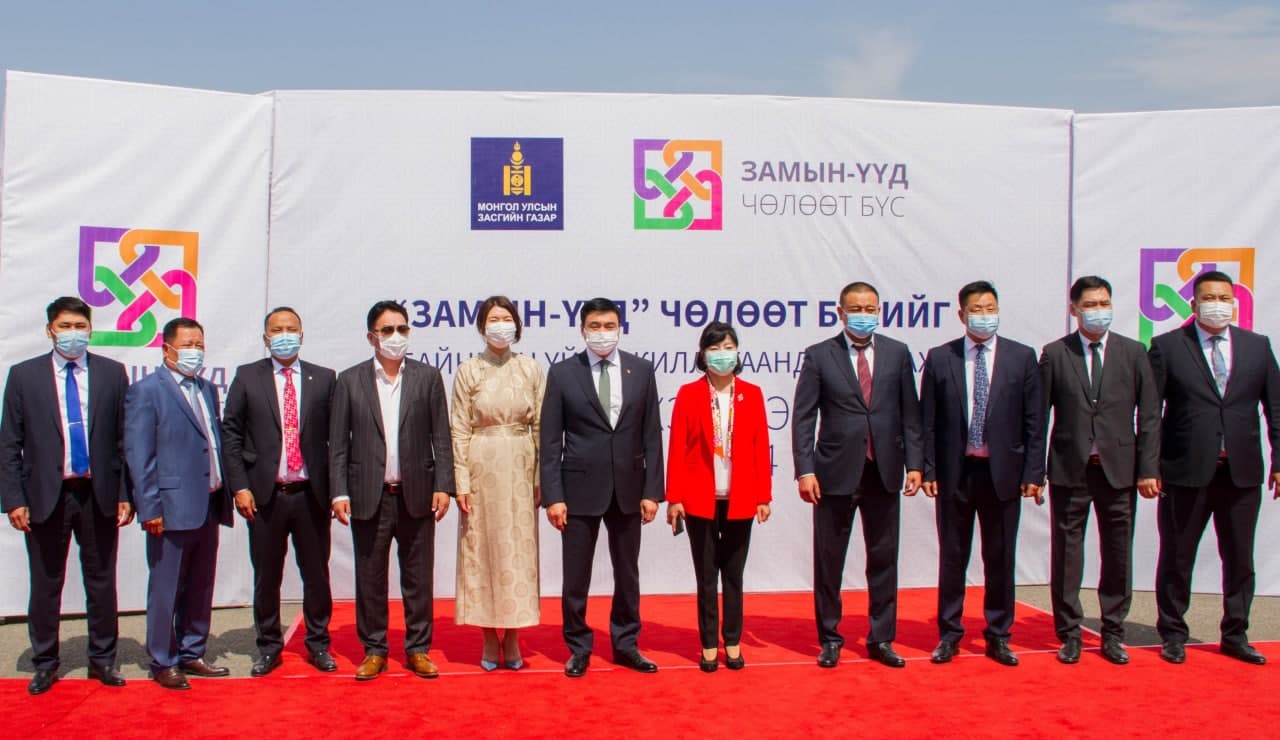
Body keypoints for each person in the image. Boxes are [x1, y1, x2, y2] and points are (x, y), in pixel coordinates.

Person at [0, 297, 133, 695]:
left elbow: (123, 440)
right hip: (46, 495)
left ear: (90, 330)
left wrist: (125, 493)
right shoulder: (23, 376)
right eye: (65, 326)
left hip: (97, 493)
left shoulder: (112, 373)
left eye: (80, 326)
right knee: (46, 583)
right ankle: (45, 662)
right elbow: (9, 444)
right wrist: (13, 499)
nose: (73, 333)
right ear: (50, 331)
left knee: (101, 580)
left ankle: (102, 659)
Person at [1148, 270, 1280, 666]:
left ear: (1234, 303)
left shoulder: (1257, 347)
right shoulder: (1168, 347)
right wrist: (1149, 466)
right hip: (1184, 471)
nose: (1217, 305)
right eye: (1209, 298)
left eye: (1224, 298)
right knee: (1177, 557)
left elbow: (1275, 409)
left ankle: (1235, 634)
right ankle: (1173, 634)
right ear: (1193, 304)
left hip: (1241, 472)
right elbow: (1150, 413)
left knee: (1240, 558)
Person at [791, 282, 922, 669]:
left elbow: (910, 414)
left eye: (870, 308)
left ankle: (881, 638)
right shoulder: (820, 355)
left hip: (884, 470)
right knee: (829, 560)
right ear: (841, 312)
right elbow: (803, 418)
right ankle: (830, 637)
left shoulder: (897, 353)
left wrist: (915, 464)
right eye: (856, 308)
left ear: (879, 310)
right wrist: (805, 470)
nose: (864, 314)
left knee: (884, 558)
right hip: (834, 473)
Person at [330, 300, 456, 680]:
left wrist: (444, 485)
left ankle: (418, 649)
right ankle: (374, 649)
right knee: (370, 577)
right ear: (372, 337)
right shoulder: (349, 380)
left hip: (417, 493)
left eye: (402, 329)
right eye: (387, 330)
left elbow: (441, 436)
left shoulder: (427, 377)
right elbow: (338, 444)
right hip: (369, 494)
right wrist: (339, 492)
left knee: (418, 577)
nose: (396, 336)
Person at [921, 280, 1044, 667]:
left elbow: (1035, 422)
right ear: (962, 315)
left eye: (991, 309)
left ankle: (999, 634)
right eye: (977, 310)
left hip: (1003, 474)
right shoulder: (940, 358)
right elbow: (928, 422)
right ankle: (949, 634)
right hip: (956, 474)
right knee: (952, 557)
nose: (985, 316)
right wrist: (928, 468)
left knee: (1000, 557)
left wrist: (1034, 472)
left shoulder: (1021, 357)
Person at [1039, 276, 1160, 665]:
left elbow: (1150, 415)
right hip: (1069, 469)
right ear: (1074, 309)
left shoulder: (1133, 352)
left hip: (1120, 470)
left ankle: (1112, 632)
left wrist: (1148, 468)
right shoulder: (1055, 354)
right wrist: (1033, 473)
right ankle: (1069, 633)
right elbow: (1037, 418)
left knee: (1118, 552)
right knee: (1067, 554)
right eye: (1090, 304)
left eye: (1104, 303)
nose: (1098, 311)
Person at [541, 297, 664, 678]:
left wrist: (652, 491)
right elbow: (550, 441)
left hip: (629, 488)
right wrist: (553, 496)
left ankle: (626, 643)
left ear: (620, 328)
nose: (602, 333)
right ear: (582, 330)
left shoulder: (641, 370)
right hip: (578, 490)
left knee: (628, 573)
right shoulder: (563, 373)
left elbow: (652, 434)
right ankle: (578, 647)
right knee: (576, 576)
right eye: (595, 326)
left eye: (609, 325)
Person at [222, 307, 337, 676]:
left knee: (316, 576)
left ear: (301, 335)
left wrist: (337, 491)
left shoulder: (324, 378)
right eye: (277, 330)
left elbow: (337, 440)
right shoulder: (247, 377)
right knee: (267, 577)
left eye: (291, 329)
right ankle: (269, 646)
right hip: (265, 497)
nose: (284, 335)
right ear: (265, 337)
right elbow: (231, 434)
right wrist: (240, 486)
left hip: (311, 495)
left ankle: (318, 644)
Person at [124, 317, 234, 690]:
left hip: (208, 502)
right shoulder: (146, 391)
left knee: (200, 585)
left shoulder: (207, 388)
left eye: (199, 344)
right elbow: (140, 455)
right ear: (167, 348)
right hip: (170, 508)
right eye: (188, 344)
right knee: (166, 587)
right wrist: (150, 507)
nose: (195, 351)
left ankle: (192, 651)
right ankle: (163, 659)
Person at [666, 322, 771, 672]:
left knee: (734, 576)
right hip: (700, 500)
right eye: (714, 348)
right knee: (707, 576)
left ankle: (733, 641)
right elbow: (678, 447)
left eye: (728, 347)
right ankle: (709, 643)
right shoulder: (689, 394)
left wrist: (763, 496)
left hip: (741, 498)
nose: (722, 354)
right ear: (703, 354)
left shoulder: (752, 394)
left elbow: (760, 447)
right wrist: (675, 497)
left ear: (737, 352)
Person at [450, 296, 544, 671]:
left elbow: (541, 427)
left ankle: (515, 635)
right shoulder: (468, 371)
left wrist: (540, 478)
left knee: (519, 552)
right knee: (482, 550)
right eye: (493, 319)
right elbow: (458, 428)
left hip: (521, 465)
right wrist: (461, 481)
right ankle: (489, 635)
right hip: (481, 464)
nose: (500, 325)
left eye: (506, 319)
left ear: (517, 326)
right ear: (481, 327)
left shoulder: (531, 369)